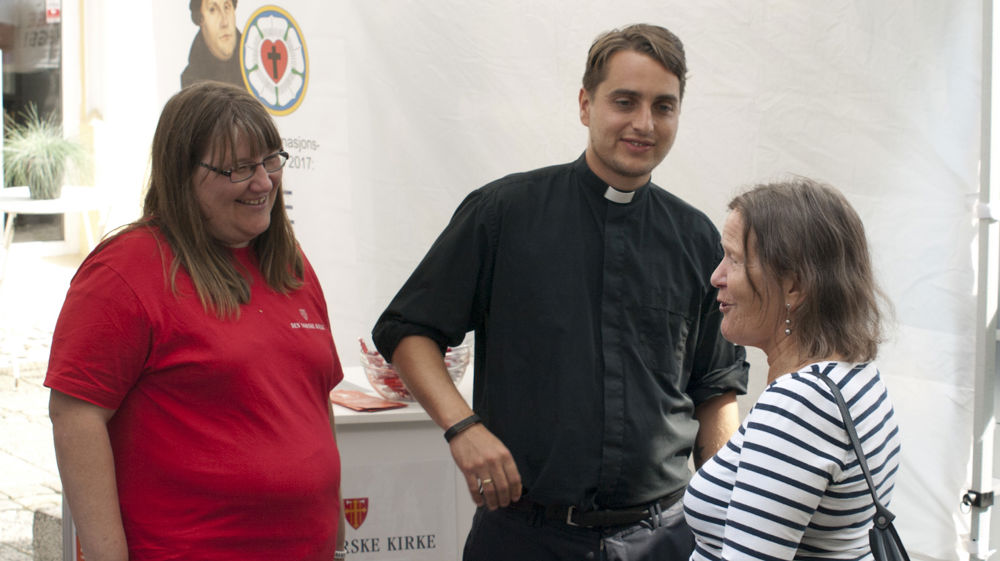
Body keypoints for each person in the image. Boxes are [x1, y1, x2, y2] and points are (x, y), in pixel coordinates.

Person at [372, 23, 749, 560]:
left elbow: (716, 386)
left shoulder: (696, 238)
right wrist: (462, 428)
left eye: (663, 107)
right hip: (524, 535)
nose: (644, 123)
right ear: (585, 105)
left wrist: (723, 515)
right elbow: (408, 329)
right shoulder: (504, 214)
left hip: (664, 536)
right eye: (625, 101)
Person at [45, 81, 347, 561]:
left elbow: (314, 403)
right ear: (182, 173)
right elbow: (76, 416)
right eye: (240, 168)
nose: (264, 182)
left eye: (271, 160)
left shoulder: (290, 266)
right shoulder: (125, 271)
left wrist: (337, 538)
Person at [682, 178, 901, 560]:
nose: (716, 276)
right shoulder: (856, 375)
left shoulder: (800, 404)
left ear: (793, 285)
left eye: (733, 259)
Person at [181, 0, 243, 88]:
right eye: (212, 10)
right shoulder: (191, 83)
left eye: (226, 7)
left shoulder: (258, 63)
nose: (224, 22)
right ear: (200, 19)